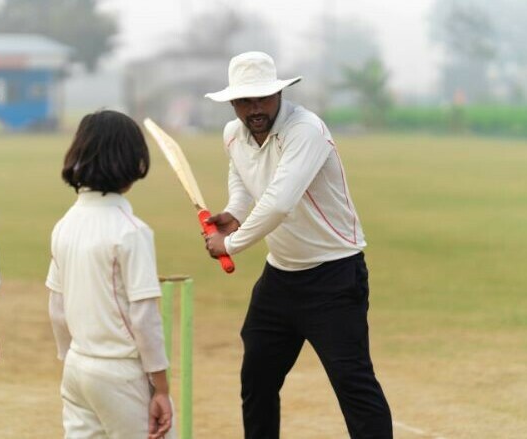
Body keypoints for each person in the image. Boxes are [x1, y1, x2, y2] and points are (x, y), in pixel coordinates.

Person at [203, 51, 393, 438]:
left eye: (261, 98)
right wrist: (233, 213)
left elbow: (278, 202)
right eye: (244, 100)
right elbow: (242, 180)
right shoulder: (233, 135)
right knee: (256, 379)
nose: (254, 109)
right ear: (233, 103)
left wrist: (231, 244)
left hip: (334, 275)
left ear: (278, 94)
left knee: (353, 385)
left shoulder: (305, 130)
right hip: (281, 279)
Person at [46, 110, 174, 439]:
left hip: (77, 366)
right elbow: (144, 318)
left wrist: (72, 358)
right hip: (121, 372)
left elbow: (57, 309)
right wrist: (160, 388)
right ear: (134, 162)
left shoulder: (64, 225)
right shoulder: (132, 232)